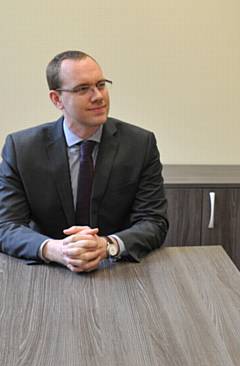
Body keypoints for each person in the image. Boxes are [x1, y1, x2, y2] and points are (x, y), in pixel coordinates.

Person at [0, 51, 168, 272]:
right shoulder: (22, 149)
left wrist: (108, 245)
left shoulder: (140, 144)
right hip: (46, 272)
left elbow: (154, 221)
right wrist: (55, 249)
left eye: (101, 85)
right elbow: (6, 225)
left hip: (116, 270)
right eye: (82, 89)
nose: (98, 96)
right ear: (56, 99)